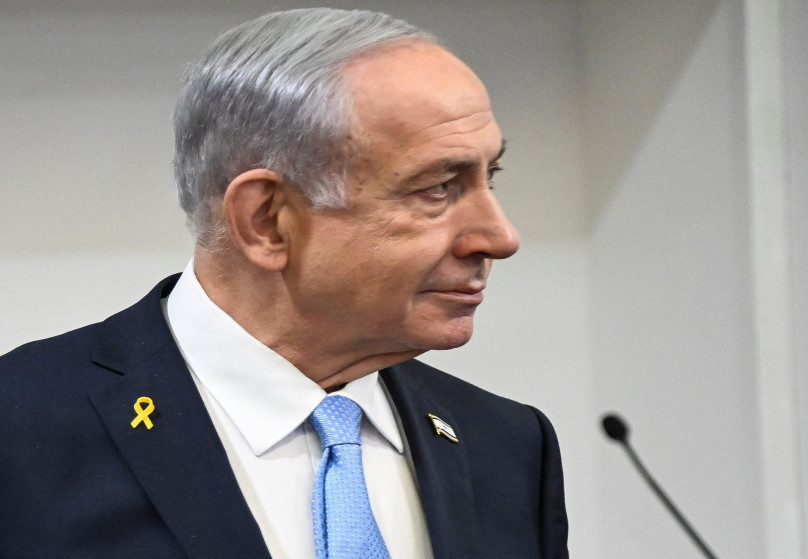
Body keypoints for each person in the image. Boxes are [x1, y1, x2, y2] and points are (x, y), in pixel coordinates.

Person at [0, 8, 568, 559]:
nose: (500, 237)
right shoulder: (20, 429)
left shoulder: (510, 444)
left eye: (490, 176)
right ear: (267, 221)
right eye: (437, 188)